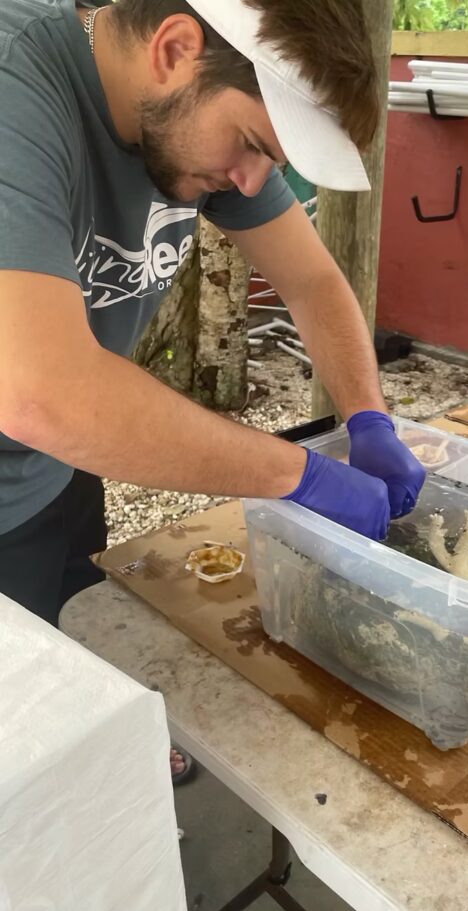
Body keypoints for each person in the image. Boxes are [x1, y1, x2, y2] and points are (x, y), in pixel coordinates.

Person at [0, 0, 426, 782]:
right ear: (175, 46)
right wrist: (299, 473)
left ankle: (97, 743)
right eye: (254, 147)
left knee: (82, 641)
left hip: (59, 466)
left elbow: (310, 279)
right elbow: (41, 392)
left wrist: (367, 414)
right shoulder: (15, 89)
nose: (250, 182)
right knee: (16, 741)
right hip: (27, 446)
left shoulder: (191, 109)